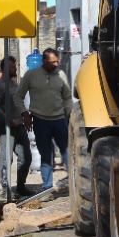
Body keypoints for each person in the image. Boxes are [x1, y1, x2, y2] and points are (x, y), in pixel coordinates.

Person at [16, 48, 72, 191]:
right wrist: (25, 114)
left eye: (58, 61)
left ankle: (73, 184)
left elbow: (67, 97)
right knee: (45, 156)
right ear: (45, 61)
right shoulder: (31, 75)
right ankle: (47, 187)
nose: (57, 63)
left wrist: (68, 114)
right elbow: (18, 97)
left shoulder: (61, 75)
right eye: (54, 61)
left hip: (59, 120)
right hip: (40, 121)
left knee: (67, 154)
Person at [0, 57, 32, 197]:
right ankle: (5, 189)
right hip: (5, 127)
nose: (15, 69)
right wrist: (8, 120)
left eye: (15, 66)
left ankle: (21, 186)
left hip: (19, 125)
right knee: (6, 158)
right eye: (12, 67)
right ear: (4, 69)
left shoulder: (15, 84)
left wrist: (25, 116)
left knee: (26, 156)